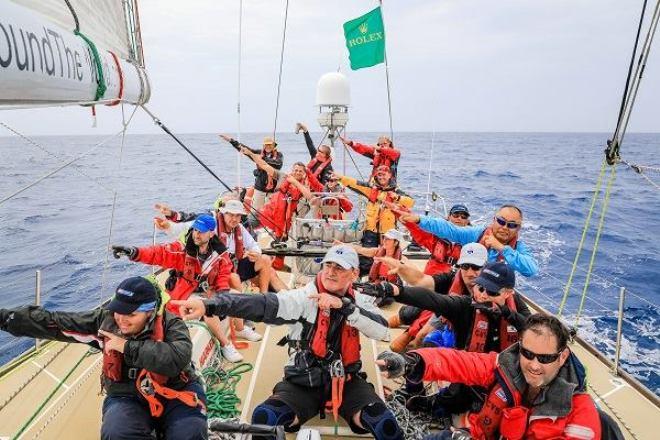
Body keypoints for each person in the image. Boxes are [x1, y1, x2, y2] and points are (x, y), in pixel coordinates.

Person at [170, 245, 404, 440]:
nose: (331, 272)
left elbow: (382, 331)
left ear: (353, 274)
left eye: (339, 268)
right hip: (304, 379)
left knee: (385, 425)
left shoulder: (360, 300)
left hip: (348, 380)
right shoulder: (303, 298)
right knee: (265, 419)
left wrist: (344, 307)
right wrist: (211, 305)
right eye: (328, 265)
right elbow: (262, 305)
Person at [0, 276, 207, 440]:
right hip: (127, 393)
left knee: (190, 433)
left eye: (131, 315)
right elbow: (55, 323)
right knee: (116, 433)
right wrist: (6, 319)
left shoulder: (172, 325)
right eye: (118, 311)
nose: (121, 320)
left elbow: (177, 358)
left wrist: (126, 347)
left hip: (177, 389)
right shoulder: (103, 322)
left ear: (150, 312)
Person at [377, 314, 601, 440]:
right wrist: (412, 363)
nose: (533, 365)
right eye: (528, 354)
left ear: (562, 357)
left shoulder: (580, 412)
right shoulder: (505, 366)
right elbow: (460, 363)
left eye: (544, 358)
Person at [112, 214, 246, 363]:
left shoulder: (220, 253)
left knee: (235, 296)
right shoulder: (181, 249)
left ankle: (241, 328)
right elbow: (159, 253)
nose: (196, 234)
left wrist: (222, 295)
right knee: (208, 308)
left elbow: (224, 273)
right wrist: (134, 252)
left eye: (201, 231)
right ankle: (225, 344)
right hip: (186, 294)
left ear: (211, 233)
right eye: (195, 230)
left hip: (209, 291)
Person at [376, 243, 489, 352]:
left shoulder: (494, 291)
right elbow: (421, 281)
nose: (470, 273)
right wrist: (401, 272)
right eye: (465, 266)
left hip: (480, 334)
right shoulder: (452, 279)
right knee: (424, 336)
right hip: (452, 319)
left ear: (486, 267)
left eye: (476, 267)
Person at [155, 199, 272, 296]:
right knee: (234, 278)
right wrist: (168, 226)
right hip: (214, 270)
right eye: (231, 214)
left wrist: (255, 253)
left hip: (233, 264)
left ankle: (264, 299)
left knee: (265, 259)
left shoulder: (239, 228)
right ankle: (240, 311)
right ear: (223, 213)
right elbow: (185, 226)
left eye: (238, 215)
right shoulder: (211, 224)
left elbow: (254, 245)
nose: (234, 219)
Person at [399, 204, 539, 277]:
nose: (505, 227)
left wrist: (502, 248)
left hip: (495, 294)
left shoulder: (518, 248)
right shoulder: (477, 234)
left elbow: (531, 270)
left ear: (518, 228)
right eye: (501, 221)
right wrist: (418, 219)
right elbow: (450, 230)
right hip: (470, 287)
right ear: (494, 220)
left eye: (512, 225)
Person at [334, 166, 414, 274]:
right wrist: (340, 178)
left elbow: (411, 202)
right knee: (366, 258)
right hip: (371, 229)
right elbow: (355, 183)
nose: (381, 177)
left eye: (384, 175)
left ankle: (388, 277)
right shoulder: (371, 188)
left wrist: (398, 198)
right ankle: (366, 278)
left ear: (390, 175)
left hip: (388, 232)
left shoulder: (396, 191)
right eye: (379, 175)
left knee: (390, 256)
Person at [402, 203, 469, 276]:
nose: (459, 218)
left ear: (467, 221)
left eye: (463, 216)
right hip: (433, 275)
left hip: (456, 277)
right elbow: (416, 227)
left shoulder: (472, 240)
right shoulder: (436, 235)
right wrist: (403, 213)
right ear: (449, 217)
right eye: (456, 215)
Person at [220, 134, 284, 210]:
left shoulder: (279, 155)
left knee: (269, 211)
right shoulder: (258, 153)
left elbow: (277, 164)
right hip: (260, 188)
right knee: (256, 210)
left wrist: (260, 158)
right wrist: (231, 140)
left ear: (274, 145)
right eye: (266, 144)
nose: (268, 146)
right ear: (263, 145)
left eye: (270, 144)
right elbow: (245, 149)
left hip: (273, 190)